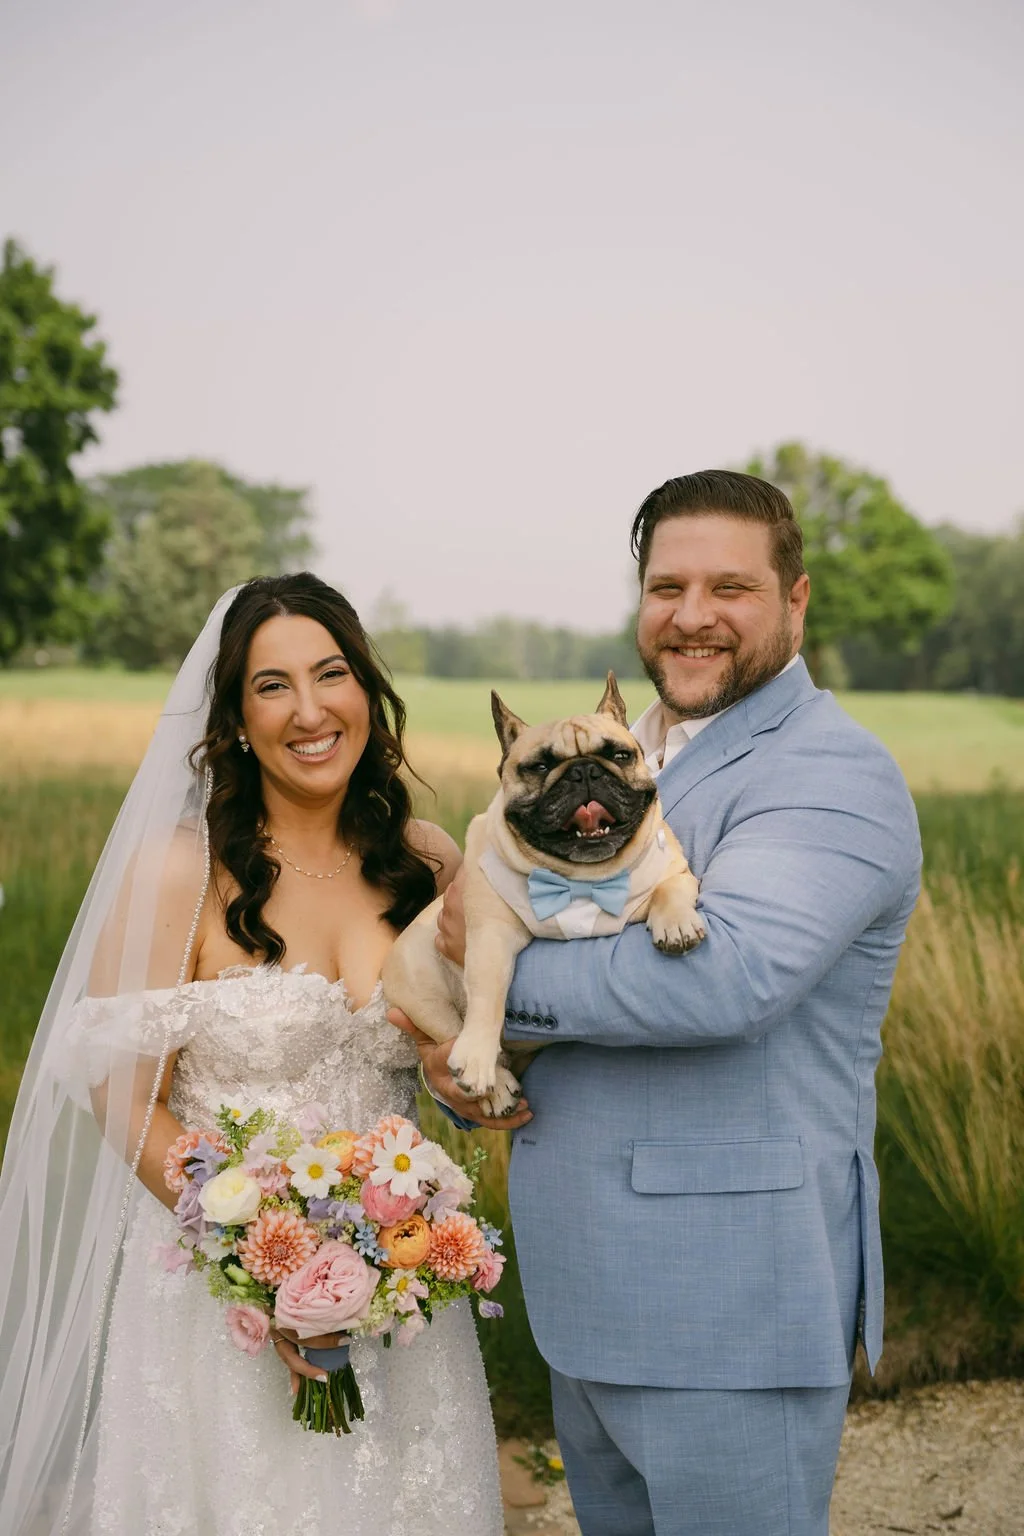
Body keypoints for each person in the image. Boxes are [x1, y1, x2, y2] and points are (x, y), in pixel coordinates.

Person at [403, 470, 922, 1536]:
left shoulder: (832, 771)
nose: (690, 616)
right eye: (666, 585)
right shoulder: (611, 757)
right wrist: (458, 1051)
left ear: (796, 598)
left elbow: (725, 978)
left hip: (728, 1305)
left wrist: (484, 964)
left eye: (728, 586)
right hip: (585, 1295)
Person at [0, 575, 504, 1535]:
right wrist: (271, 1271)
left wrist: (461, 1109)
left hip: (400, 1295)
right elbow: (122, 1100)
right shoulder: (181, 872)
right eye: (273, 686)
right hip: (221, 1295)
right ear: (233, 717)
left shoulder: (427, 861)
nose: (310, 711)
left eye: (332, 674)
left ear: (367, 691)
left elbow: (463, 1064)